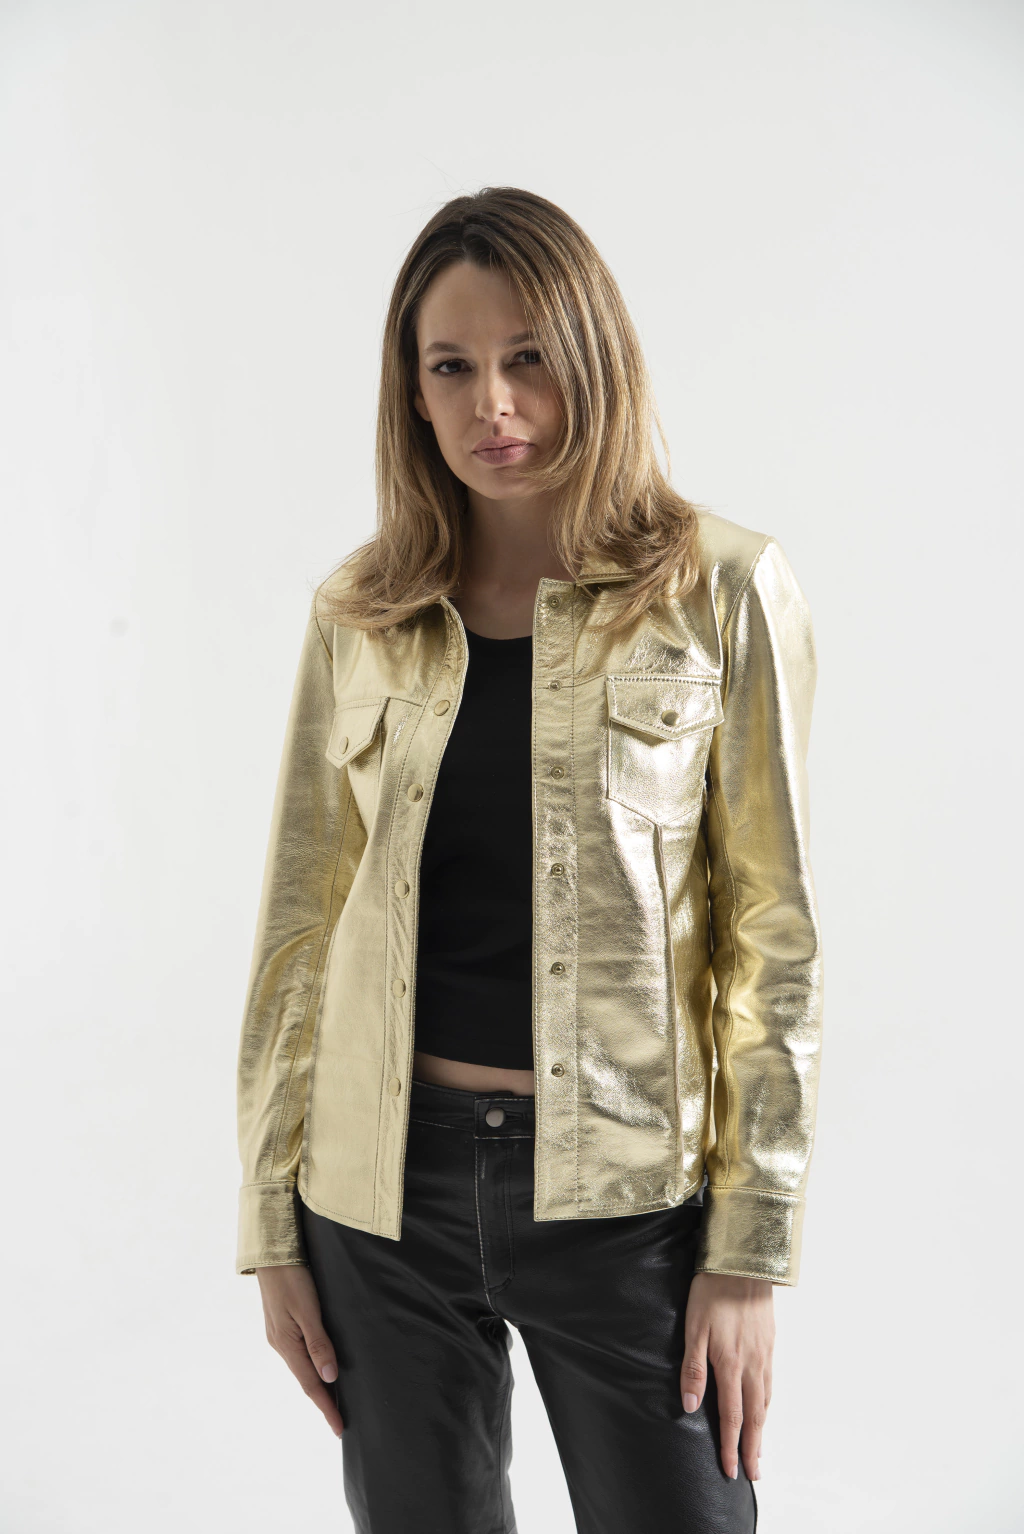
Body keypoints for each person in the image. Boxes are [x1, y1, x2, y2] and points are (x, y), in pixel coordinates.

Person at [235, 186, 823, 1534]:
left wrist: (748, 1249)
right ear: (413, 391)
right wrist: (272, 1223)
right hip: (380, 1201)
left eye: (529, 357)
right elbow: (298, 931)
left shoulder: (724, 589)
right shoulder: (360, 614)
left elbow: (773, 937)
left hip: (629, 1202)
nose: (493, 404)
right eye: (451, 366)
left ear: (594, 358)